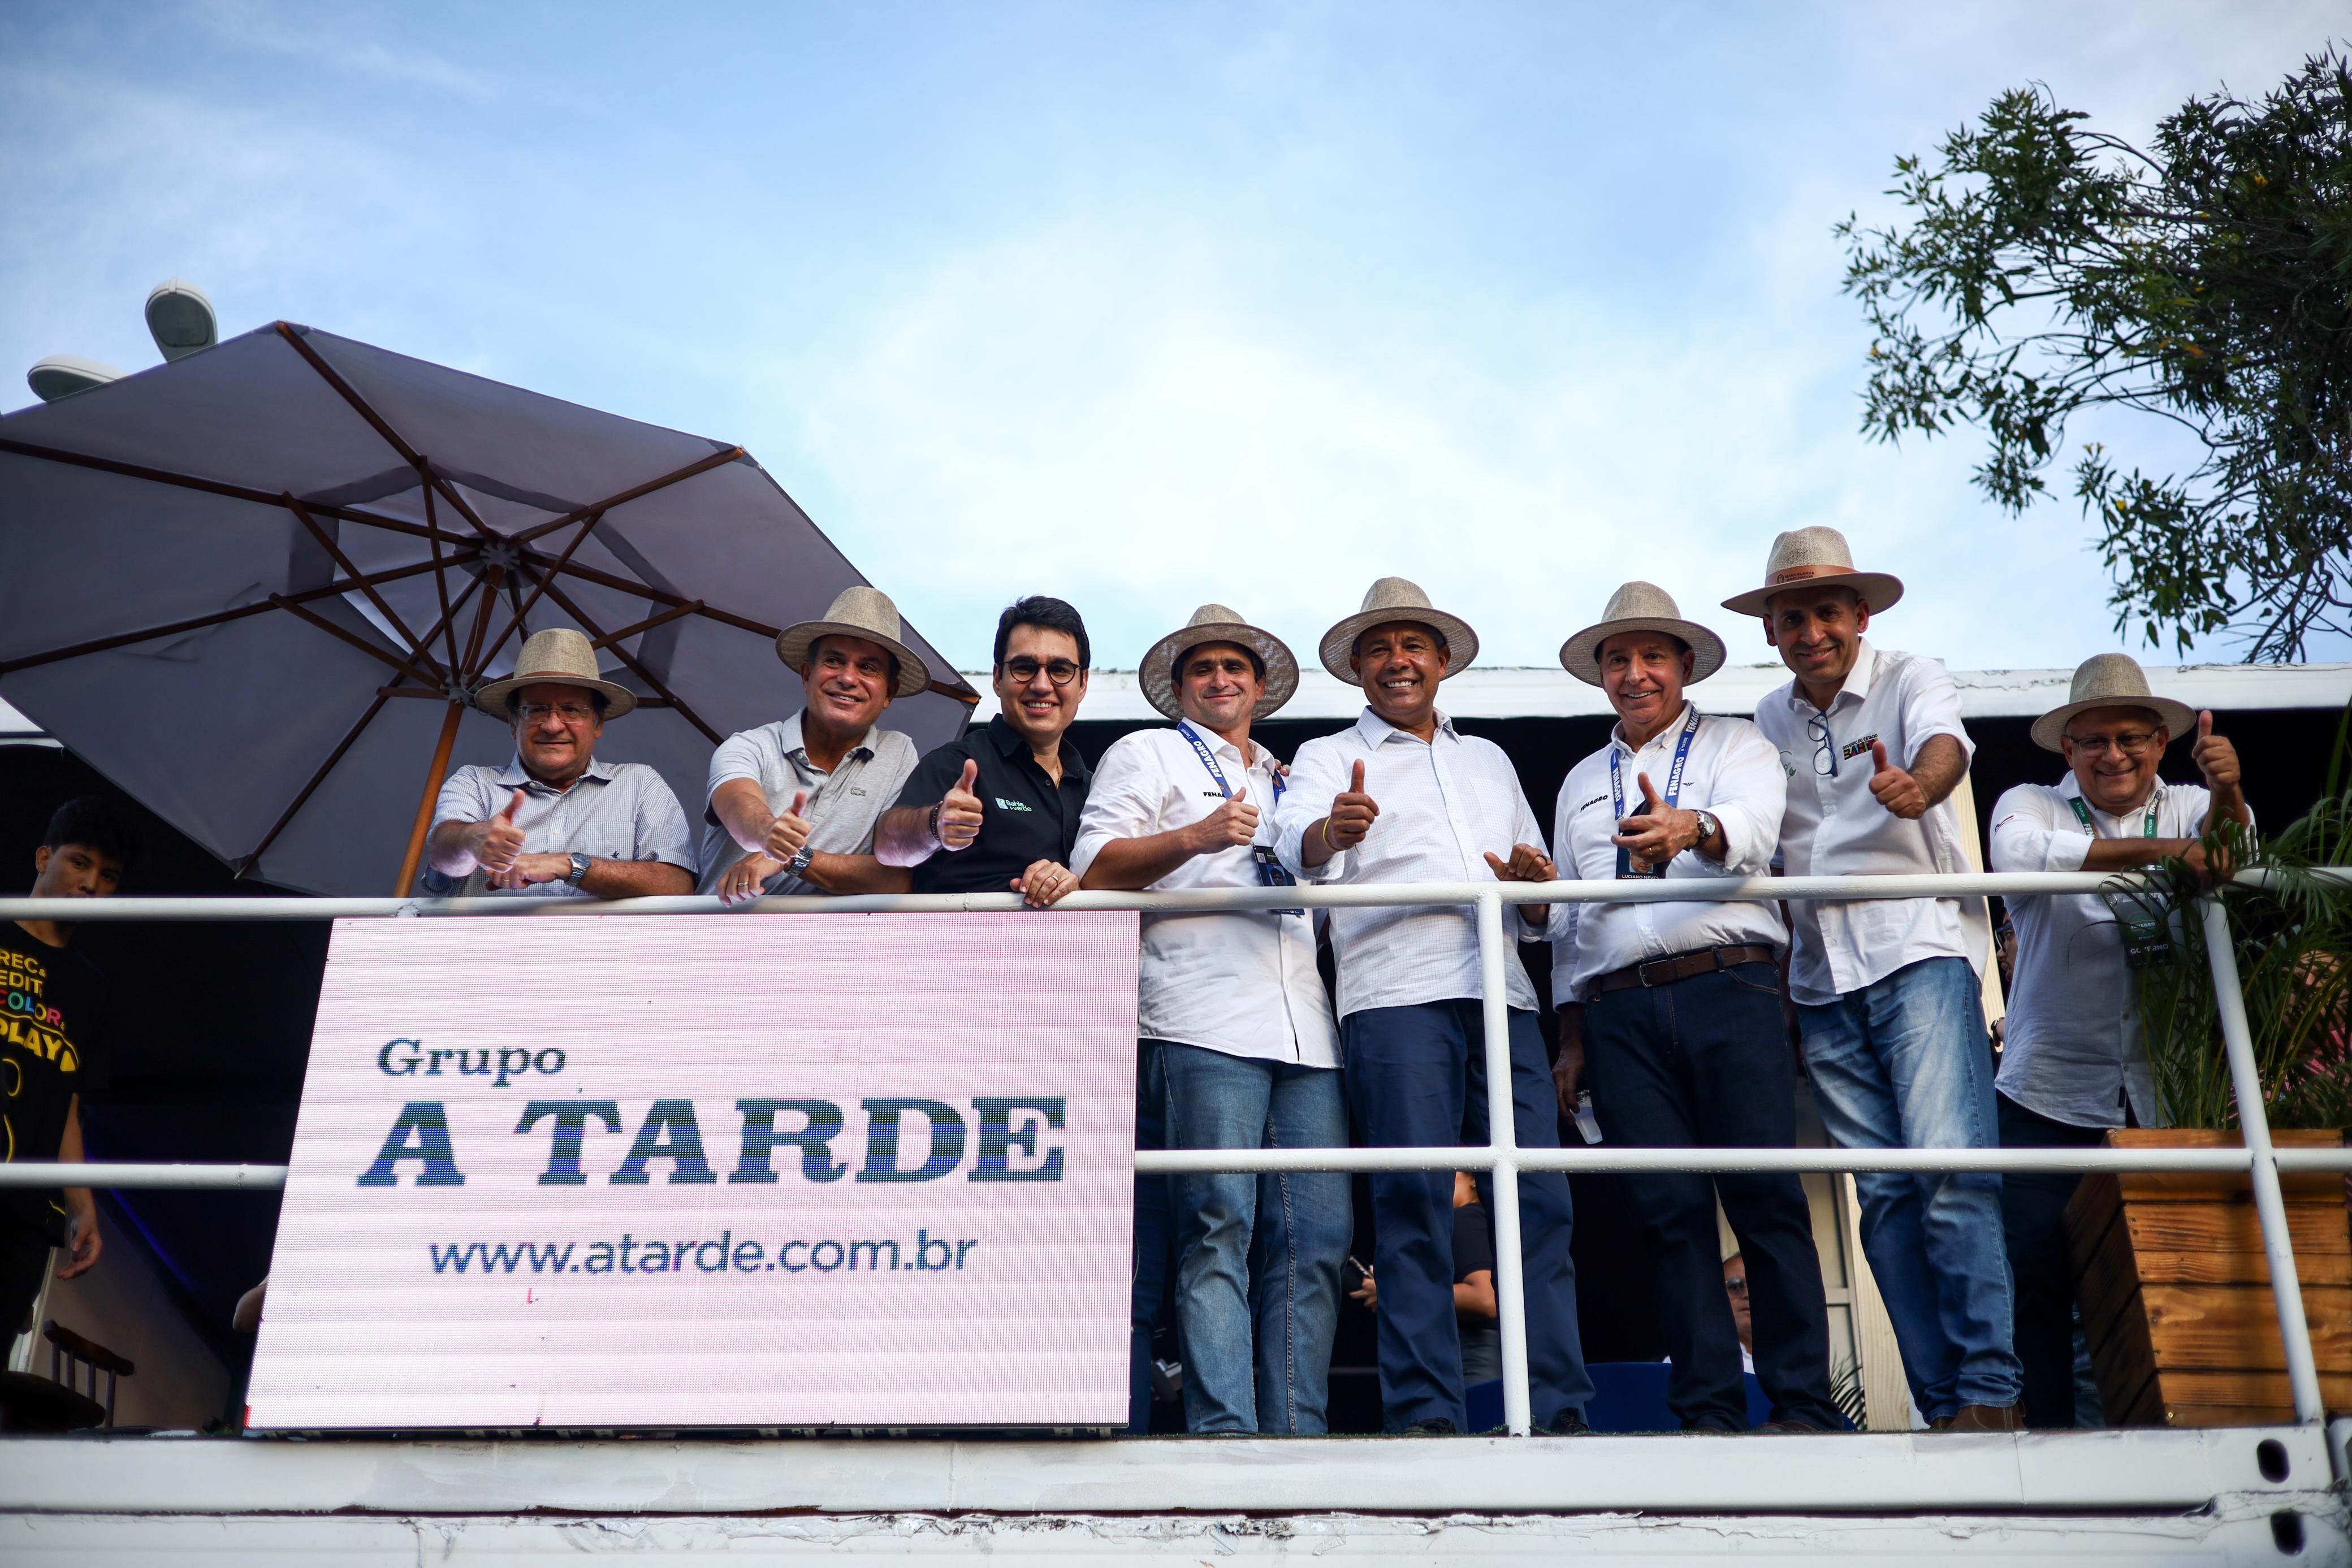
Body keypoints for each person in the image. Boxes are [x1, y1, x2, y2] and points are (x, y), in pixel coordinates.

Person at [1273, 576, 1593, 1436]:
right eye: (1378, 648)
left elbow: (1542, 904)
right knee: (1414, 1199)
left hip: (1503, 993)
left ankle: (1559, 1407)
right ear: (1356, 668)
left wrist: (1535, 885)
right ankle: (1424, 1415)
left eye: (1412, 644)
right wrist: (1333, 830)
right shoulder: (1327, 755)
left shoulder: (1488, 757)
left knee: (1539, 1198)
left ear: (1442, 660)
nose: (1397, 661)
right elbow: (1293, 848)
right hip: (1394, 993)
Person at [1727, 526, 2022, 1431]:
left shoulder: (1909, 675)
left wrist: (1921, 787)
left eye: (1826, 611)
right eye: (1791, 617)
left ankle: (1991, 1392)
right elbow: (1762, 844)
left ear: (1861, 614)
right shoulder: (1765, 719)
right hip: (1821, 979)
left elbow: (1945, 745)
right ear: (1771, 631)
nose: (1811, 631)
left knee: (1949, 1176)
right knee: (1885, 1200)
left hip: (1915, 951)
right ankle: (1942, 1405)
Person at [1549, 581, 1843, 1433]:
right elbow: (1570, 921)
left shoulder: (1739, 743)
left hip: (1729, 985)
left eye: (1652, 656)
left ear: (1684, 666)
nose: (1635, 673)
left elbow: (1755, 830)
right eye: (1618, 659)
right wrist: (1572, 1035)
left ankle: (1802, 1404)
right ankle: (1708, 1408)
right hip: (1617, 1013)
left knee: (1765, 1199)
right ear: (1601, 674)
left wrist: (1692, 827)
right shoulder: (1578, 780)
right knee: (1666, 1213)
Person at [1074, 604, 1350, 1435]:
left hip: (1304, 1026)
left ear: (1259, 686)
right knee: (1216, 1223)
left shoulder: (1290, 775)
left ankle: (1296, 1432)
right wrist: (1194, 836)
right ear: (1179, 688)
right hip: (1199, 1016)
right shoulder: (1145, 751)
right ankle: (1225, 1432)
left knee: (1318, 1236)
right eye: (1203, 668)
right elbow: (1093, 868)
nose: (1220, 679)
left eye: (1235, 667)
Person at [1988, 653, 2249, 1427]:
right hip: (2047, 1093)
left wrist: (2228, 789)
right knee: (2035, 1277)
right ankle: (2049, 1449)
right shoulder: (2031, 802)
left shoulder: (2192, 803)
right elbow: (2020, 855)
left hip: (2167, 1094)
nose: (2113, 755)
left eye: (2131, 737)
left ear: (2160, 742)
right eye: (2094, 740)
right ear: (2067, 748)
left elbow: (2236, 854)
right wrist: (2170, 856)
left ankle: (2178, 1436)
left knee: (2176, 1274)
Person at [1, 796, 140, 1342]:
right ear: (44, 858)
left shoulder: (92, 990)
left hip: (20, 1215)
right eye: (80, 863)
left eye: (108, 876)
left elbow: (67, 1103)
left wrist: (83, 1206)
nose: (91, 885)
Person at [423, 628, 694, 898]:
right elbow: (441, 856)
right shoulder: (474, 782)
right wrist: (472, 839)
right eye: (536, 710)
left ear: (598, 723)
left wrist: (570, 866)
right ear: (514, 724)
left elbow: (678, 886)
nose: (553, 726)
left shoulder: (640, 784)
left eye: (571, 710)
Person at [702, 586, 932, 903]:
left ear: (889, 693)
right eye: (834, 661)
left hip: (831, 936)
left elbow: (896, 879)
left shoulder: (899, 752)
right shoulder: (749, 746)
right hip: (717, 930)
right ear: (807, 675)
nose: (848, 678)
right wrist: (768, 833)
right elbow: (737, 803)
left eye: (868, 667)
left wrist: (794, 857)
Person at [875, 595, 1092, 908]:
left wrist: (1077, 883)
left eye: (1060, 669)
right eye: (1024, 668)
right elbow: (887, 845)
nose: (1042, 685)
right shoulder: (957, 764)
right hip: (960, 941)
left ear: (1082, 684)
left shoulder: (1095, 788)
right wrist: (935, 824)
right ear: (997, 679)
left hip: (1073, 942)